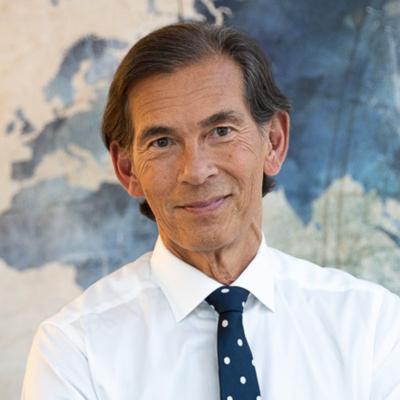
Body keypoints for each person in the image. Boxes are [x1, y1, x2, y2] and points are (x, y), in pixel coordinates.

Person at [22, 22, 400, 400]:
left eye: (221, 131)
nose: (196, 171)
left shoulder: (372, 327)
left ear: (273, 142)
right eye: (162, 142)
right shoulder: (74, 352)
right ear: (127, 169)